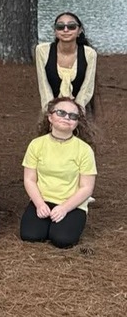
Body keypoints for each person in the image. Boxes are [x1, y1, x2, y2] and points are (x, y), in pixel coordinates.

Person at [20, 98, 97, 248]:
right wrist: (39, 204)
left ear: (76, 123)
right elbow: (29, 179)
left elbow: (87, 187)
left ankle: (65, 223)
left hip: (71, 203)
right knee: (30, 236)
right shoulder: (36, 145)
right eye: (61, 113)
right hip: (43, 200)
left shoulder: (84, 150)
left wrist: (64, 208)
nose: (67, 118)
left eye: (73, 116)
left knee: (62, 240)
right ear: (50, 117)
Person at [35, 12, 97, 111]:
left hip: (80, 109)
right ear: (55, 31)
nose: (65, 30)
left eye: (71, 26)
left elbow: (87, 88)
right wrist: (51, 111)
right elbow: (44, 87)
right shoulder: (42, 51)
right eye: (60, 26)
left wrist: (76, 112)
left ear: (79, 30)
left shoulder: (89, 54)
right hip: (51, 109)